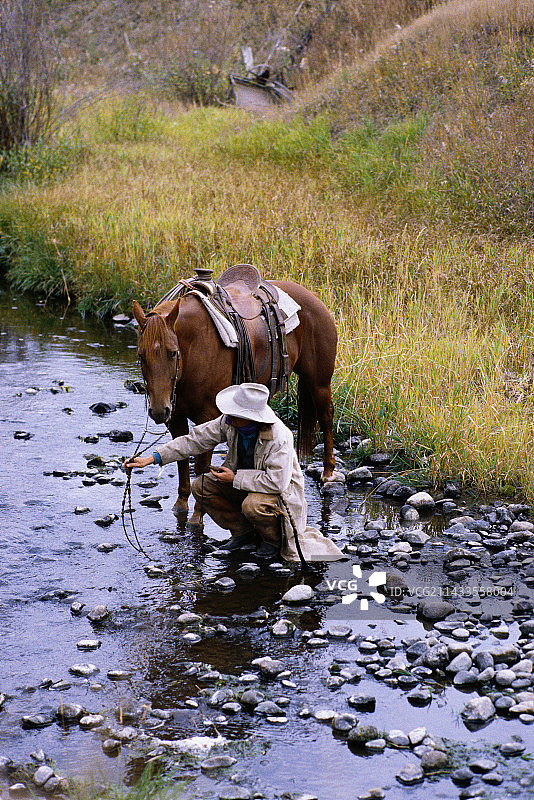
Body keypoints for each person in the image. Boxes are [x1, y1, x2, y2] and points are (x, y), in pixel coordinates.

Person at [124, 382, 344, 563]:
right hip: (244, 484)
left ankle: (273, 541)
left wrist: (235, 478)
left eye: (234, 413)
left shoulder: (280, 437)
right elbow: (195, 440)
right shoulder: (229, 422)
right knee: (201, 486)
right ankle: (244, 533)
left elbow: (277, 482)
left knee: (253, 505)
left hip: (277, 495)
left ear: (252, 417)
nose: (226, 415)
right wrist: (152, 458)